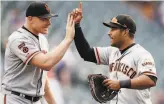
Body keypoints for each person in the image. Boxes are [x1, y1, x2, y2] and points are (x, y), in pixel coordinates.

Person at [72, 2, 157, 104]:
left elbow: (150, 80)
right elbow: (86, 53)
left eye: (113, 29)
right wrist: (76, 26)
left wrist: (120, 84)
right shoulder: (111, 52)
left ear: (125, 32)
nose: (109, 33)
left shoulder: (142, 54)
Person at [2, 1, 75, 104]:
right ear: (30, 19)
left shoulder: (43, 40)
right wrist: (67, 39)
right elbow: (46, 63)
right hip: (16, 98)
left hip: (35, 100)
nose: (49, 23)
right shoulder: (17, 38)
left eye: (49, 19)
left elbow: (43, 79)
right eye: (44, 19)